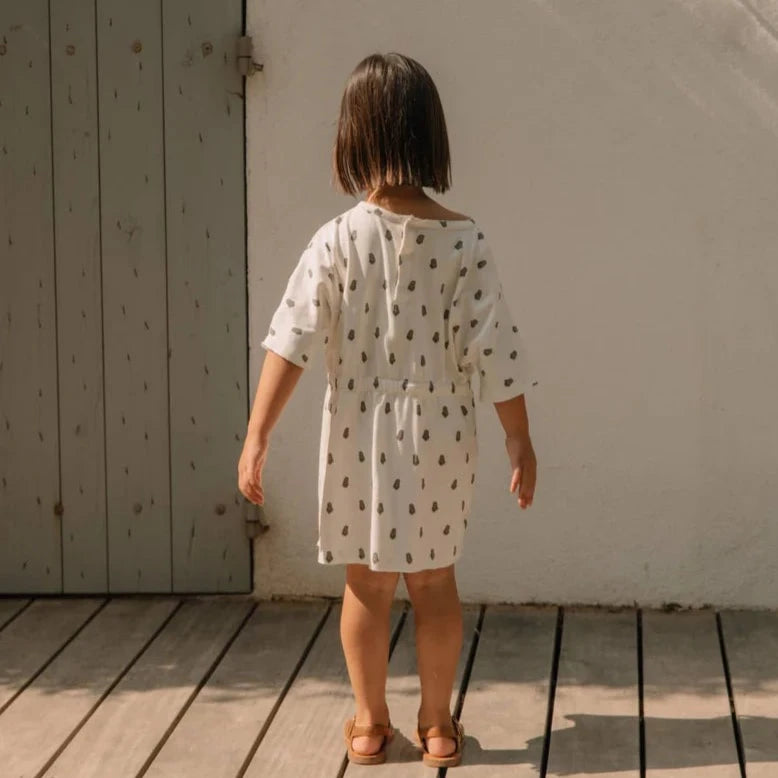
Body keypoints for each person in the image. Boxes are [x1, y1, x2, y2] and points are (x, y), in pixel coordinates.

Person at [238, 51, 538, 768]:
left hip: (358, 436)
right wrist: (519, 441)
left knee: (366, 584)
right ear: (430, 134)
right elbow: (496, 351)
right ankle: (437, 724)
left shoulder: (336, 240)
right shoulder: (466, 241)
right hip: (441, 437)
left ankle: (371, 725)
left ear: (353, 136)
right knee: (434, 584)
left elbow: (291, 340)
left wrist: (257, 435)